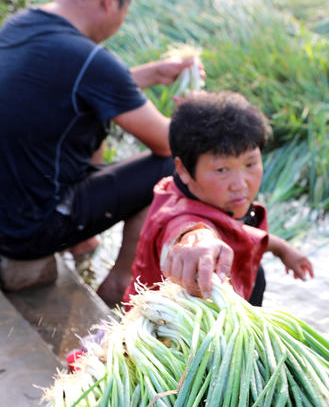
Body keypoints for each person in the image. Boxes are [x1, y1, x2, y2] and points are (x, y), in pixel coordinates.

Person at [0, 0, 199, 305]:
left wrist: (152, 74)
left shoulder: (21, 24)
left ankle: (82, 240)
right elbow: (167, 144)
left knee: (81, 122)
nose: (122, 21)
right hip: (22, 230)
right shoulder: (91, 60)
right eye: (125, 11)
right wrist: (191, 106)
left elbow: (68, 87)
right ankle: (120, 280)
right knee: (172, 168)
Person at [123, 91, 313, 306]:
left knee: (255, 272)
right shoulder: (176, 216)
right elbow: (187, 230)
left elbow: (237, 231)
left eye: (250, 164)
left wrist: (281, 248)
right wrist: (198, 242)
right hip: (165, 331)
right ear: (183, 170)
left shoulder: (207, 198)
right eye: (222, 169)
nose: (240, 184)